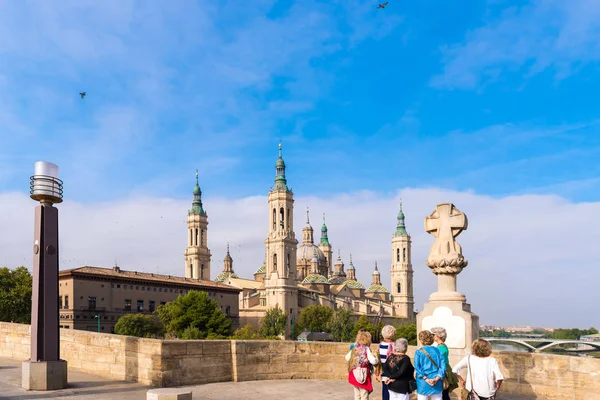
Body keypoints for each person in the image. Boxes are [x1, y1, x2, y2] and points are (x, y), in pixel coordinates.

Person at [346, 330, 379, 400]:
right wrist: (376, 360)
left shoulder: (354, 348)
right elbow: (373, 361)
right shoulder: (366, 348)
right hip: (364, 373)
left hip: (354, 373)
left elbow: (347, 358)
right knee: (364, 393)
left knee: (357, 393)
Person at [414, 330, 446, 400]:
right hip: (436, 382)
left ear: (421, 340)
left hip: (423, 383)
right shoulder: (438, 351)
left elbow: (417, 367)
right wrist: (437, 378)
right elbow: (443, 367)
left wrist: (426, 379)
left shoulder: (418, 352)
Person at [375, 325, 397, 400]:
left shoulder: (380, 345)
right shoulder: (394, 345)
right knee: (392, 391)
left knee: (385, 389)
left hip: (383, 370)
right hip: (391, 371)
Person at [431, 327, 451, 400]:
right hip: (444, 370)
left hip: (443, 371)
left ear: (438, 336)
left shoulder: (440, 347)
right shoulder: (442, 346)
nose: (432, 336)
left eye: (433, 334)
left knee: (444, 394)